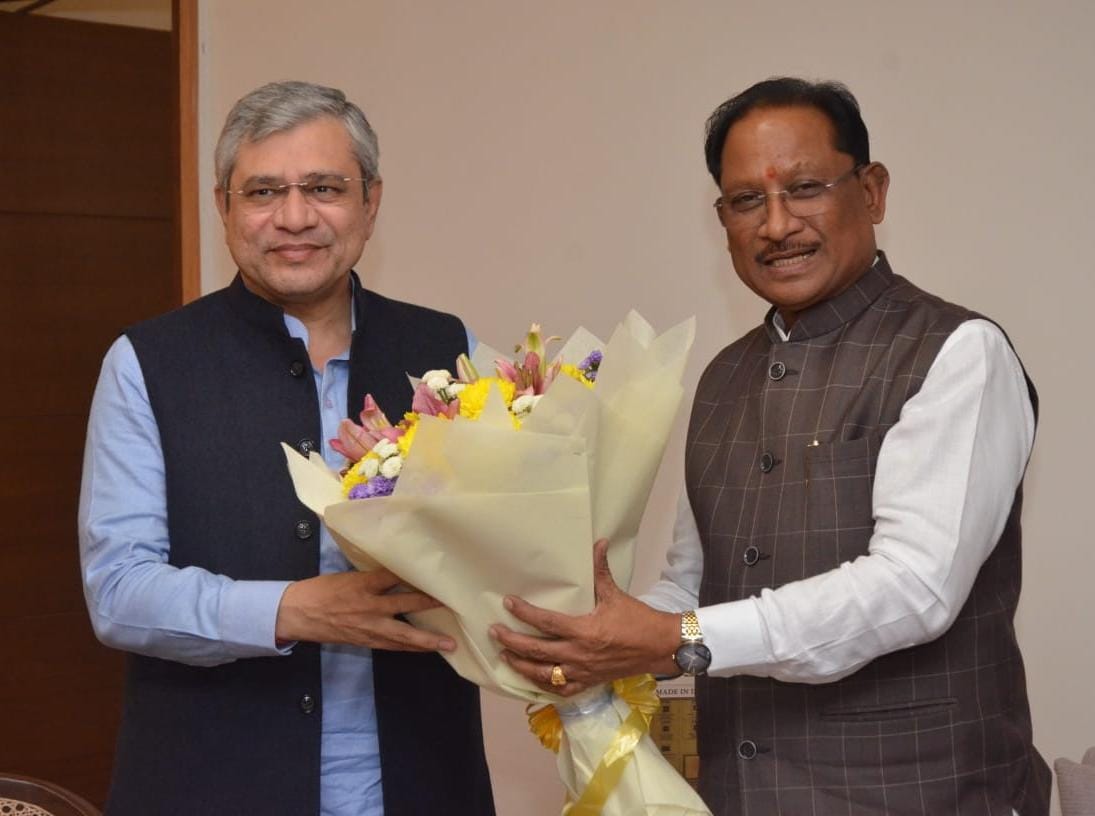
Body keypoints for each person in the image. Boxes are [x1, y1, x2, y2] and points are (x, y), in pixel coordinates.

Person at [490, 77, 1051, 815]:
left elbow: (913, 589)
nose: (777, 225)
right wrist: (584, 631)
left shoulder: (954, 351)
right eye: (746, 200)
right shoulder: (723, 377)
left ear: (872, 192)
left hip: (925, 794)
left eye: (805, 189)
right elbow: (693, 586)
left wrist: (676, 636)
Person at [79, 80, 495, 816]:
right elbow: (118, 591)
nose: (294, 217)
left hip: (423, 782)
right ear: (223, 207)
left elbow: (494, 543)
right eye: (263, 191)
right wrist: (291, 610)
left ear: (370, 202)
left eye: (324, 188)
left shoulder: (445, 347)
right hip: (210, 789)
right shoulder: (148, 363)